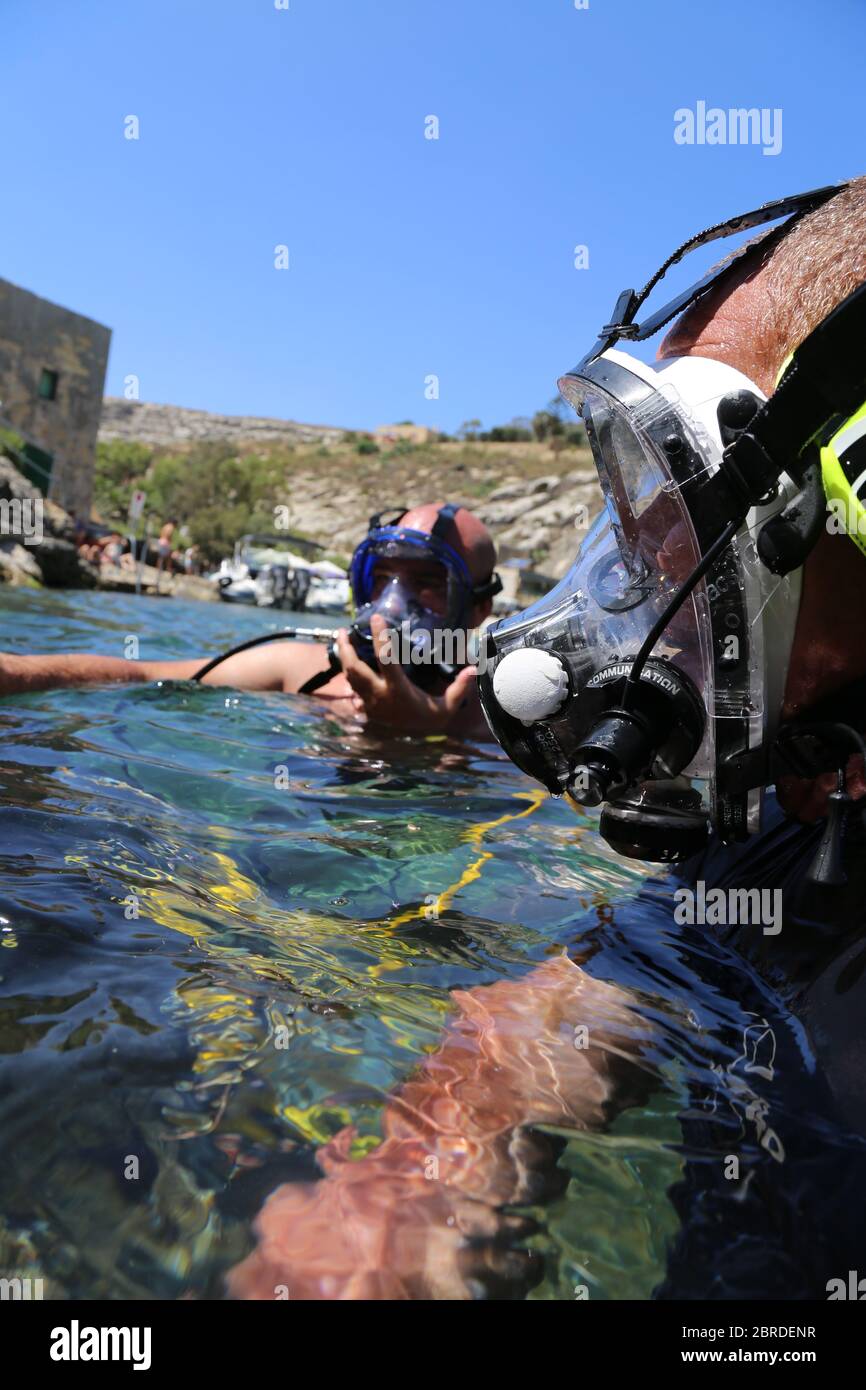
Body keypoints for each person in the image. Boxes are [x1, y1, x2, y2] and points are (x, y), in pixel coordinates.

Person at [229, 178, 866, 1300]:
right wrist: (406, 1187)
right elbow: (612, 981)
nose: (648, 592)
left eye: (685, 526)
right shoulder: (775, 820)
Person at [0, 502, 500, 738]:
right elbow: (137, 677)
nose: (392, 606)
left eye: (428, 585)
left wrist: (420, 741)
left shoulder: (502, 727)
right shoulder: (301, 670)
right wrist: (13, 673)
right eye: (381, 579)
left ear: (477, 610)